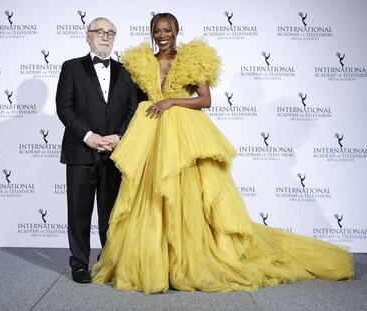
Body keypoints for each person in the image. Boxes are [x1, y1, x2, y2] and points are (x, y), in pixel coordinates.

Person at [91, 13, 353, 294]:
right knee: (150, 197)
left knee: (188, 199)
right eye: (156, 30)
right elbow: (138, 100)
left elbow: (205, 99)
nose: (162, 34)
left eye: (167, 29)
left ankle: (189, 260)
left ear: (177, 30)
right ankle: (158, 261)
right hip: (151, 134)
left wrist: (171, 101)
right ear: (151, 33)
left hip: (183, 135)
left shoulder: (193, 58)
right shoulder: (142, 62)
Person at [56, 17, 138, 283]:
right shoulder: (71, 68)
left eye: (110, 33)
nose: (105, 36)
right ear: (88, 36)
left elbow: (133, 109)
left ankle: (108, 263)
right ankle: (79, 264)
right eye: (99, 31)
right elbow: (64, 107)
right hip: (81, 152)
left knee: (111, 214)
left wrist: (119, 136)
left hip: (115, 153)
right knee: (79, 213)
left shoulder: (127, 71)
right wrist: (89, 136)